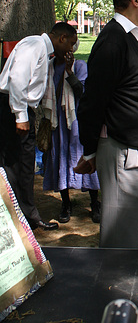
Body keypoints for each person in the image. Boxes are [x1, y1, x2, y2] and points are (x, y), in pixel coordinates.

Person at [74, 0, 138, 249]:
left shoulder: (134, 38)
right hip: (125, 151)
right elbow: (93, 101)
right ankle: (113, 290)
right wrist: (90, 149)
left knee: (134, 231)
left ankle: (128, 286)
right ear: (135, 0)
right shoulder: (113, 40)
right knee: (121, 240)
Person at [0, 22, 78, 230]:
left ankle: (25, 217)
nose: (71, 50)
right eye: (70, 44)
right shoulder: (35, 44)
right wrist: (20, 115)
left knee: (21, 166)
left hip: (22, 109)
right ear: (61, 38)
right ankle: (24, 219)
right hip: (14, 109)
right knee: (19, 166)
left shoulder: (43, 50)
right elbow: (17, 78)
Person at [41, 42, 101, 224]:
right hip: (57, 121)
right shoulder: (49, 67)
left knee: (85, 157)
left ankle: (94, 202)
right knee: (60, 156)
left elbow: (83, 92)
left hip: (76, 119)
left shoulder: (81, 66)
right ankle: (66, 203)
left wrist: (70, 72)